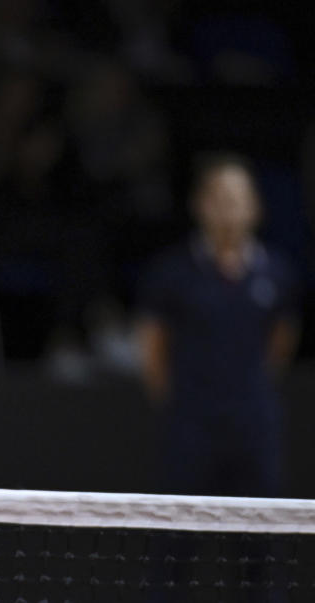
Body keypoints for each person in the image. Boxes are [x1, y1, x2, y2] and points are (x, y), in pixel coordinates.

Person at [136, 151, 300, 499]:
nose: (228, 208)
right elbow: (152, 347)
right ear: (198, 205)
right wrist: (180, 402)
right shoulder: (172, 273)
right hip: (190, 425)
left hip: (253, 423)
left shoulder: (277, 272)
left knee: (261, 538)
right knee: (175, 535)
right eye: (219, 198)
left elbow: (282, 340)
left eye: (237, 198)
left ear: (255, 207)